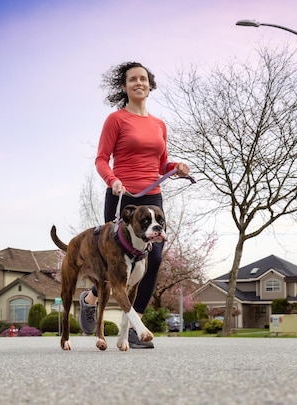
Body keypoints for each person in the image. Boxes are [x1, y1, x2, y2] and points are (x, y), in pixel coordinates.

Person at [79, 61, 190, 349]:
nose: (139, 83)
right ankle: (90, 300)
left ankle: (134, 327)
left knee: (151, 260)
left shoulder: (159, 125)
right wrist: (112, 180)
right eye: (132, 80)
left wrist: (176, 166)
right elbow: (101, 158)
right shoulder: (116, 120)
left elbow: (162, 162)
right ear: (124, 86)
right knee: (113, 267)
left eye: (143, 79)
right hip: (122, 197)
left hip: (152, 198)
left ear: (150, 85)